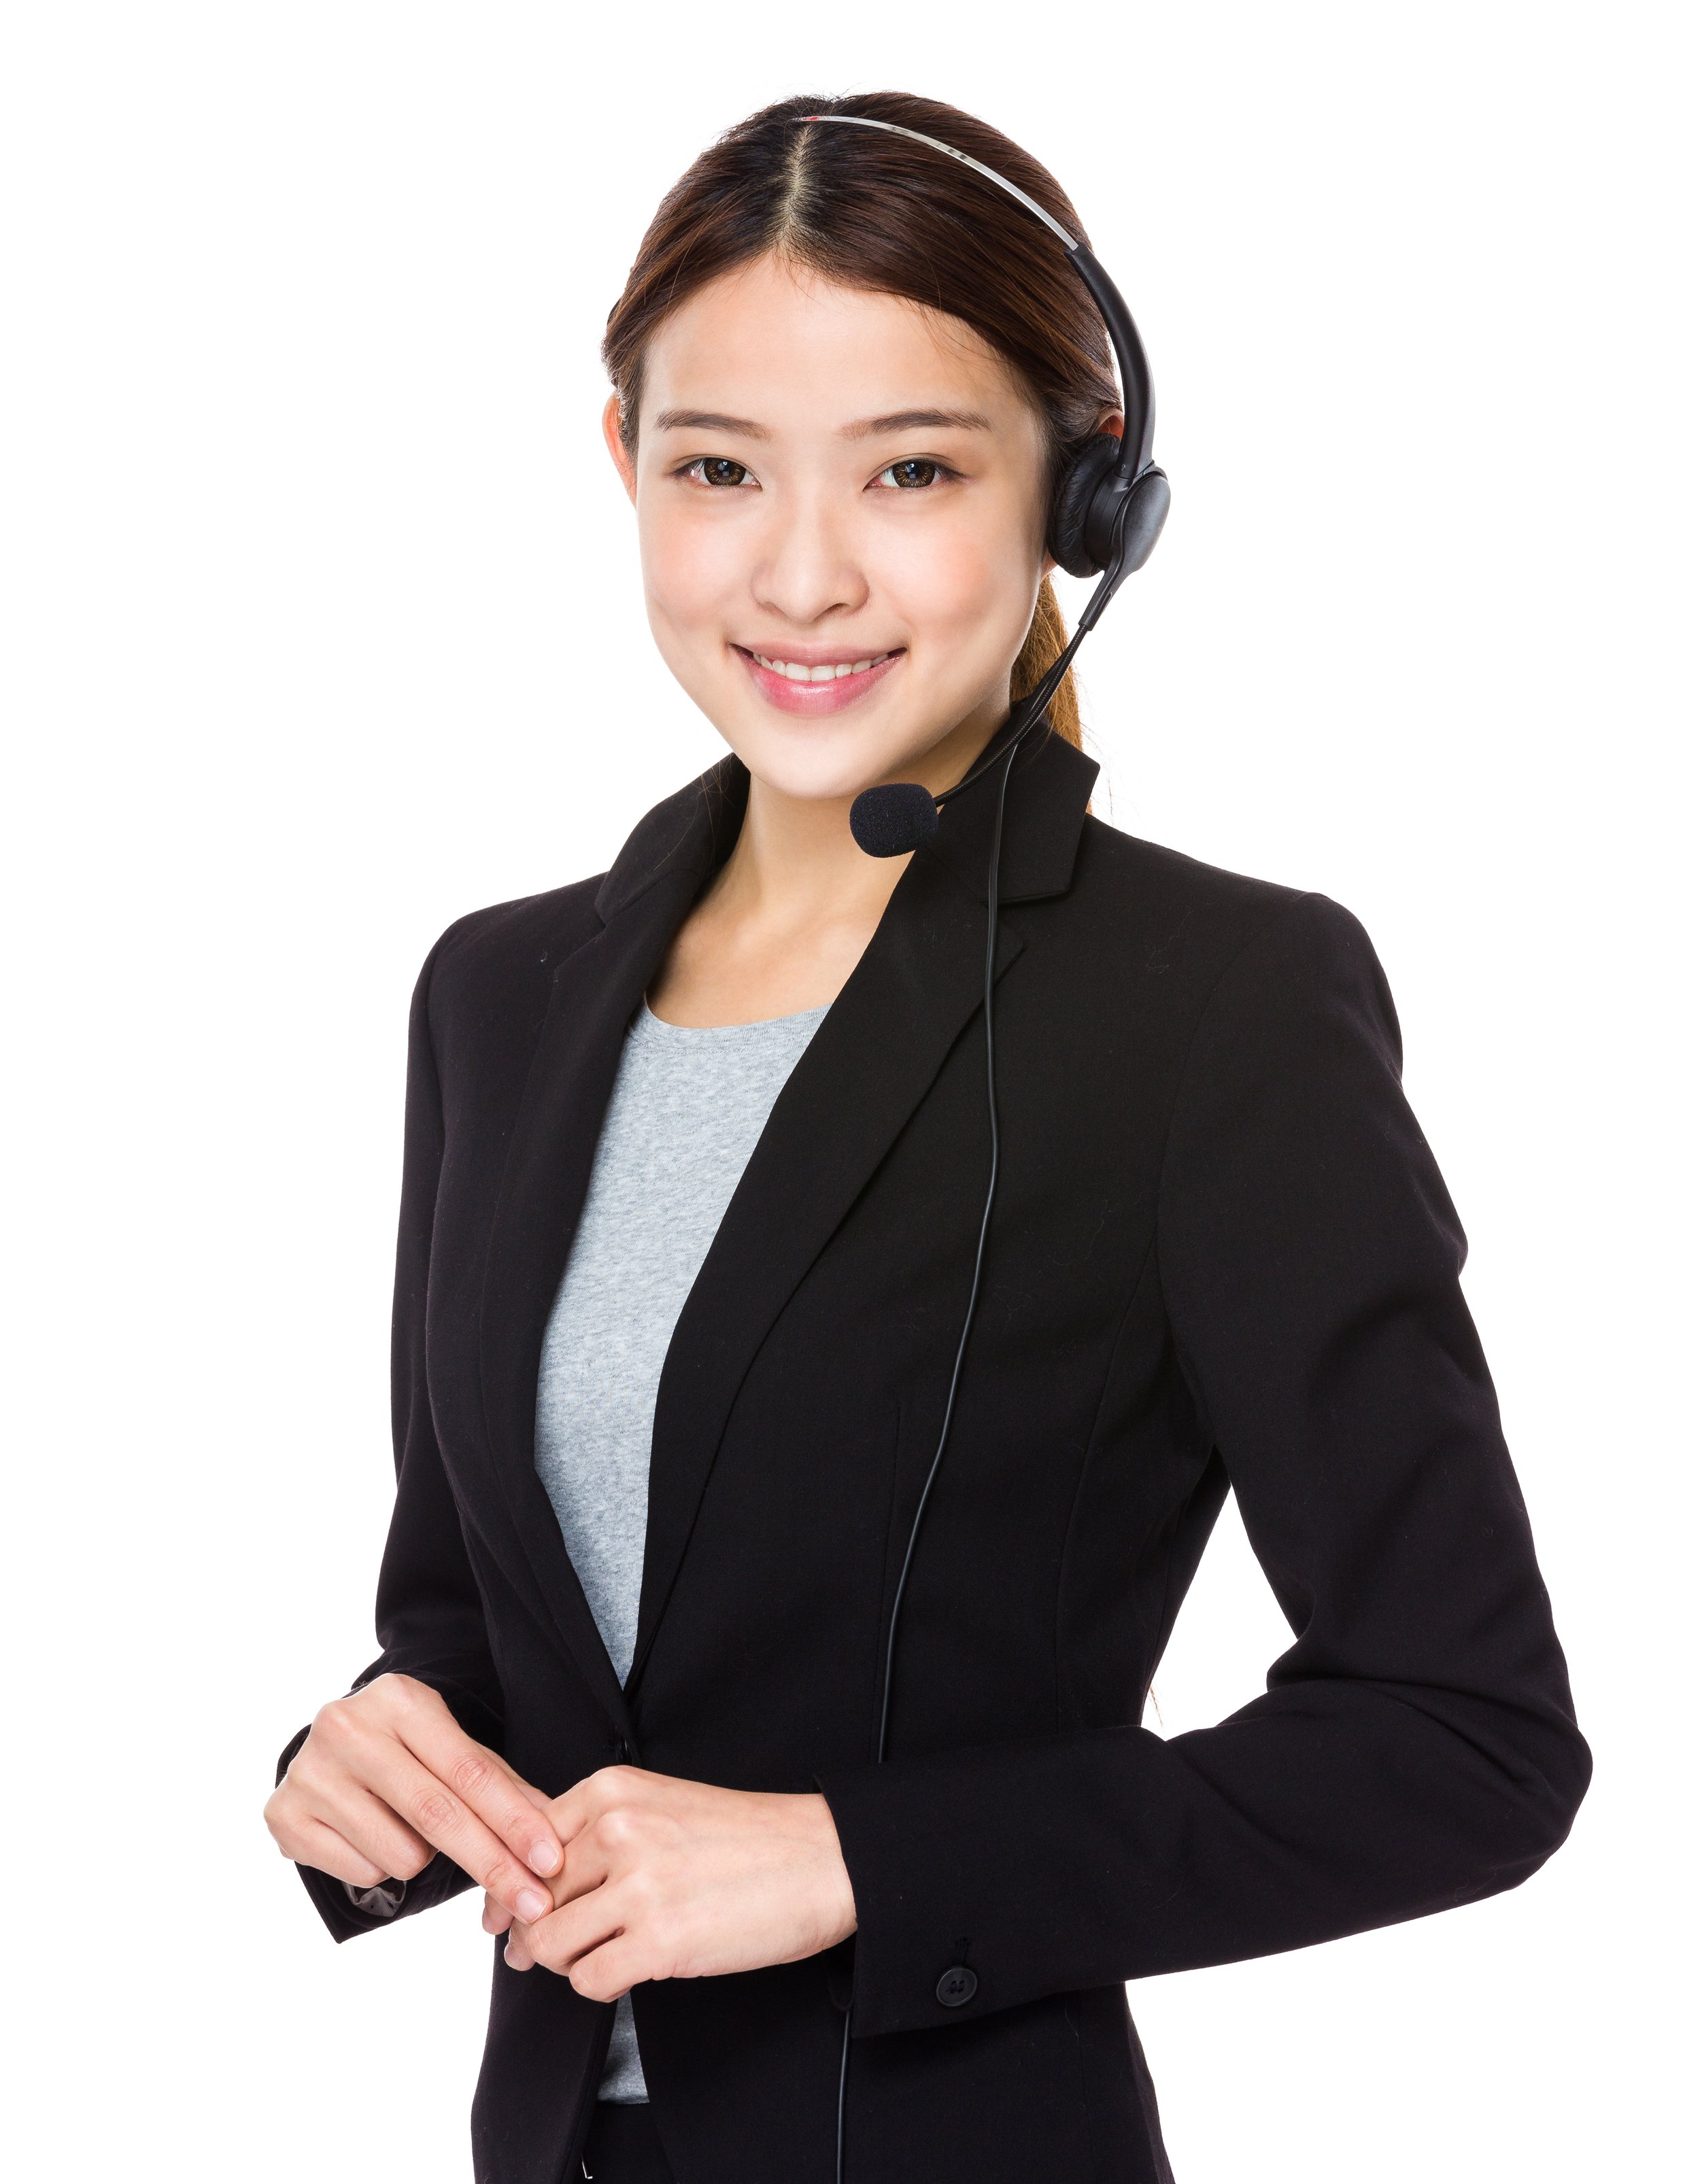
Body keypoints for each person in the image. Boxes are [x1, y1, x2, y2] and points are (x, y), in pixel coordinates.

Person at [264, 90, 1589, 2184]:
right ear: (623, 468)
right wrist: (381, 1760)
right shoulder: (497, 997)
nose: (800, 573)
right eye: (717, 470)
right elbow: (486, 1615)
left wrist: (852, 1862)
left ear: (1076, 502)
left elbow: (1463, 1739)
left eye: (909, 469)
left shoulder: (1215, 1008)